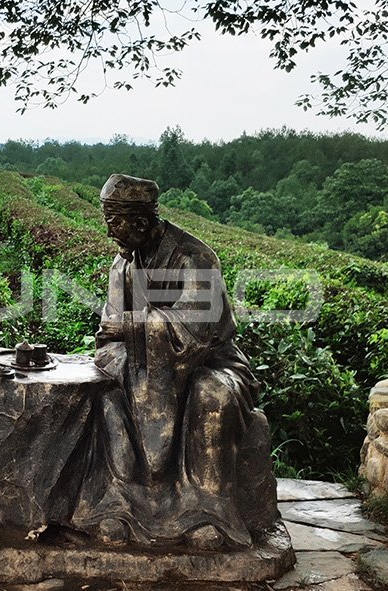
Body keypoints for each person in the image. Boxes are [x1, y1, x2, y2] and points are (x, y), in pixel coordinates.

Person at [72, 173, 262, 550]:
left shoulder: (195, 258)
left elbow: (195, 331)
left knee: (212, 398)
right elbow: (108, 332)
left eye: (114, 222)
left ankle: (207, 514)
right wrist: (127, 337)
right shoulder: (124, 264)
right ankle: (119, 504)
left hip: (210, 362)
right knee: (107, 394)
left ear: (140, 222)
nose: (109, 231)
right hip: (138, 362)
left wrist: (130, 325)